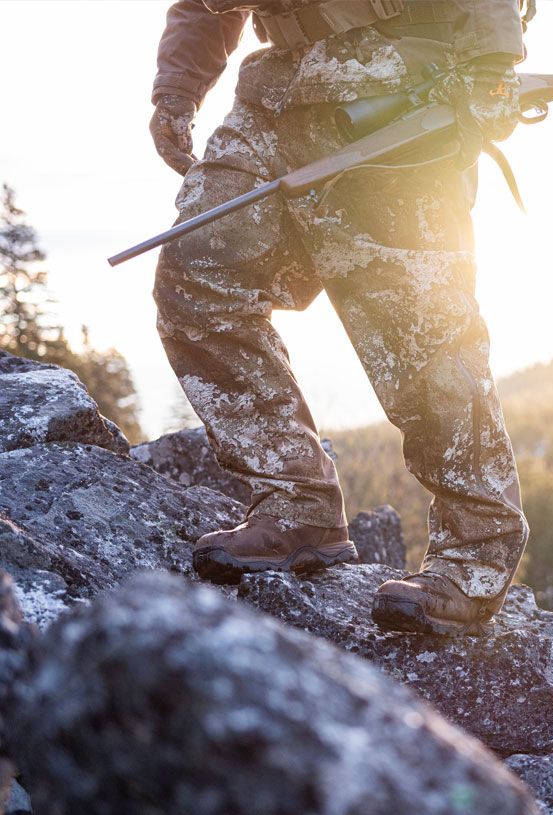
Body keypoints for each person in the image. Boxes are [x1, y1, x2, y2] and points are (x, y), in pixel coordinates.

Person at [150, 0, 532, 636]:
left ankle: (474, 556)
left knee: (422, 335)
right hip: (274, 92)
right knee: (198, 278)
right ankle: (297, 503)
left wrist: (491, 64)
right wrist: (177, 88)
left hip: (401, 78)